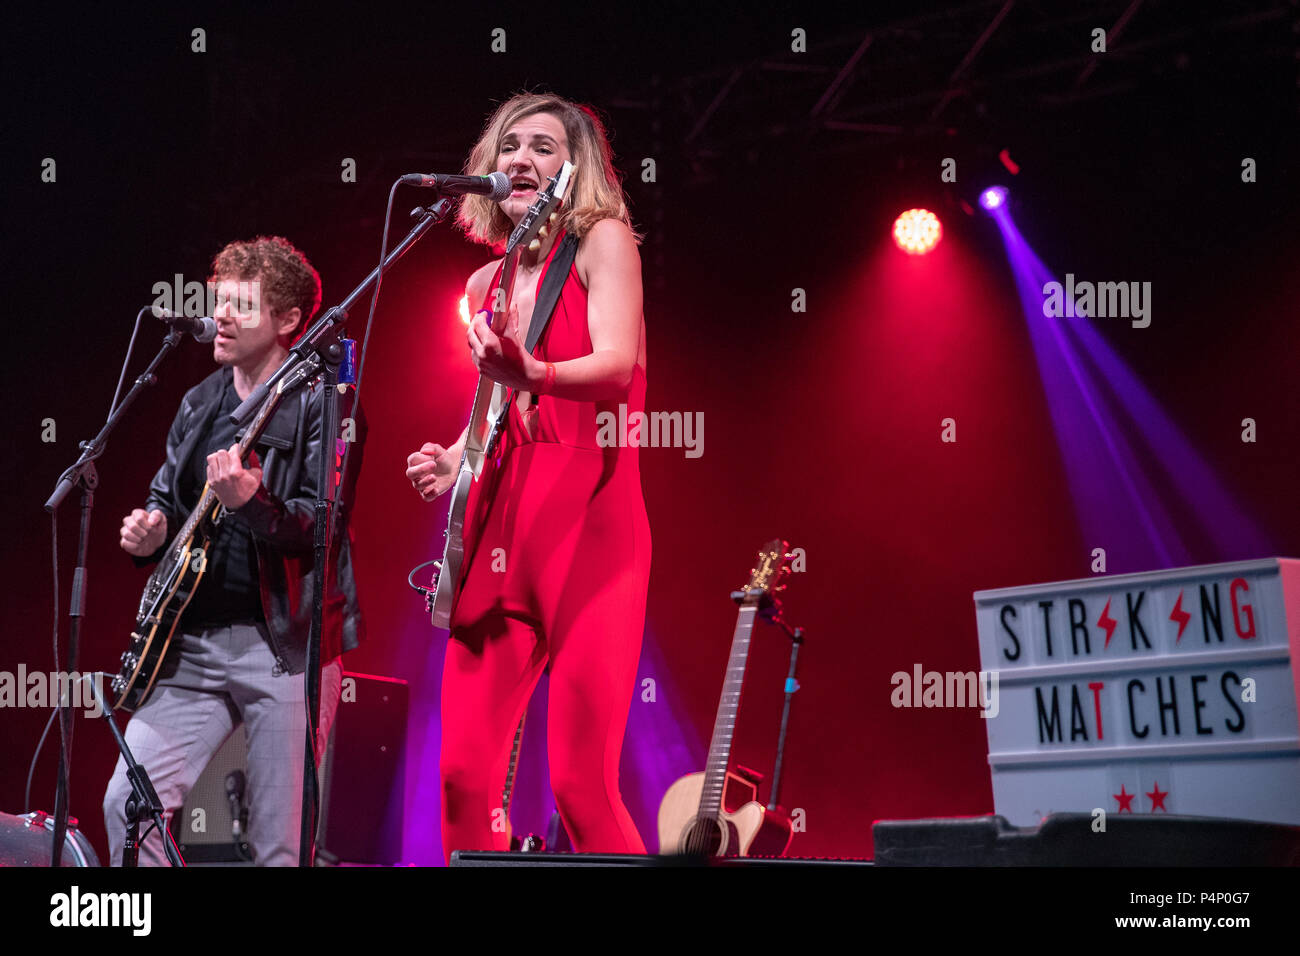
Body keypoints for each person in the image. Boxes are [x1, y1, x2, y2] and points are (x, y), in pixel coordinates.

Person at [406, 93, 650, 862]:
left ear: (575, 170)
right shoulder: (483, 286)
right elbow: (496, 405)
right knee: (460, 776)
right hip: (505, 526)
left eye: (543, 147)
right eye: (508, 146)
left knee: (581, 785)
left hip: (593, 523)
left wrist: (535, 371)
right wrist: (457, 456)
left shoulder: (603, 242)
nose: (520, 160)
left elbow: (616, 367)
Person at [104, 236, 364, 866]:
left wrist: (251, 502)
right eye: (220, 300)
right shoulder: (201, 401)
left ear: (287, 320)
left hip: (285, 649)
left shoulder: (327, 401)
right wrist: (151, 528)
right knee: (126, 805)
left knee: (280, 846)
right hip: (191, 645)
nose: (220, 315)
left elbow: (320, 525)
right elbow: (166, 497)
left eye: (241, 305)